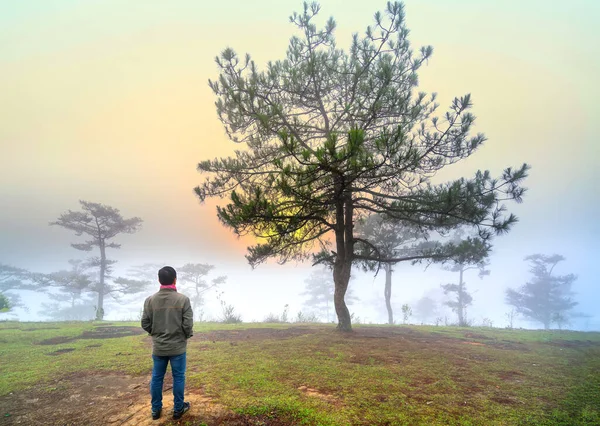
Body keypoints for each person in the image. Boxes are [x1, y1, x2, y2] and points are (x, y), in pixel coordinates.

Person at [141, 266, 194, 420]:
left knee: (157, 378)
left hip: (159, 348)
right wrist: (184, 336)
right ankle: (178, 409)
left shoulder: (150, 300)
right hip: (178, 347)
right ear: (175, 279)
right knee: (178, 377)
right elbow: (188, 324)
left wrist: (155, 333)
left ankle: (155, 410)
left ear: (159, 280)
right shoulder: (183, 299)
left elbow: (145, 322)